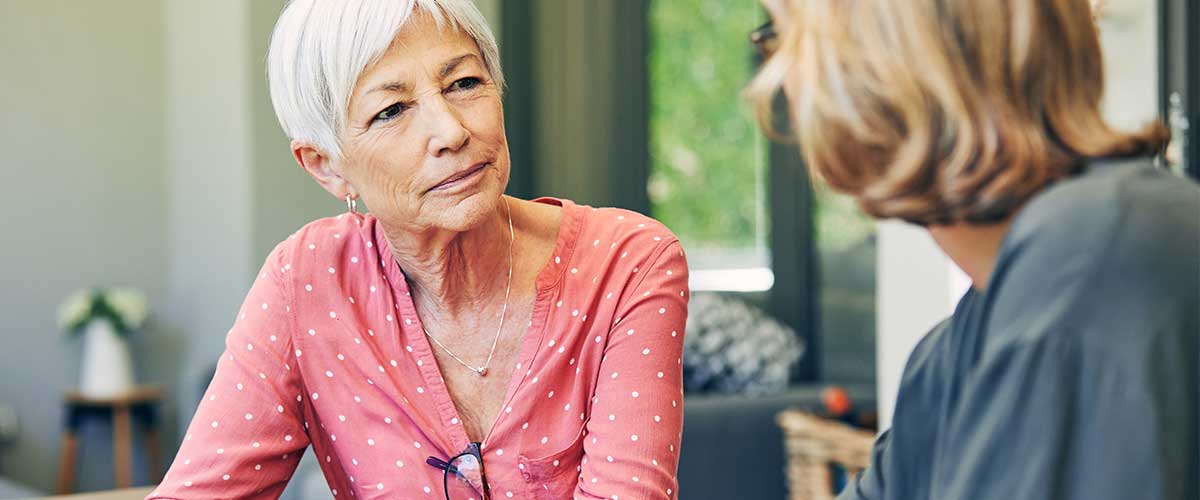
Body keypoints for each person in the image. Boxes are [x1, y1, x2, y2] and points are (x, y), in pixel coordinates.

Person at [147, 1, 688, 498]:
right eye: (392, 110)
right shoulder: (306, 281)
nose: (450, 131)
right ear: (327, 166)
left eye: (464, 83)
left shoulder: (627, 262)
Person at [747, 0, 1198, 499]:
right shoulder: (957, 347)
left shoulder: (1092, 264)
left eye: (785, 39)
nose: (779, 82)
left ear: (885, 58)